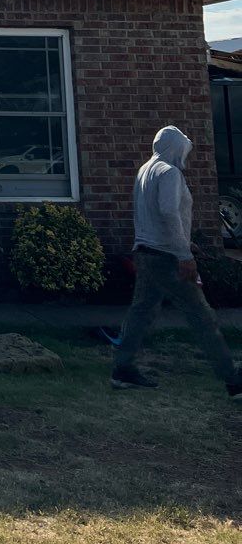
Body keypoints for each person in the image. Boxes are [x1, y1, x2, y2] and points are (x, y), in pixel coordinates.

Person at [110, 125, 240, 399]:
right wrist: (184, 255)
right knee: (201, 316)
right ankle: (233, 380)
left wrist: (184, 241)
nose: (186, 156)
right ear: (175, 147)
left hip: (145, 252)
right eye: (184, 149)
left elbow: (156, 216)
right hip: (166, 257)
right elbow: (169, 212)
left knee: (141, 312)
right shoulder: (170, 173)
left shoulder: (146, 169)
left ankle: (122, 369)